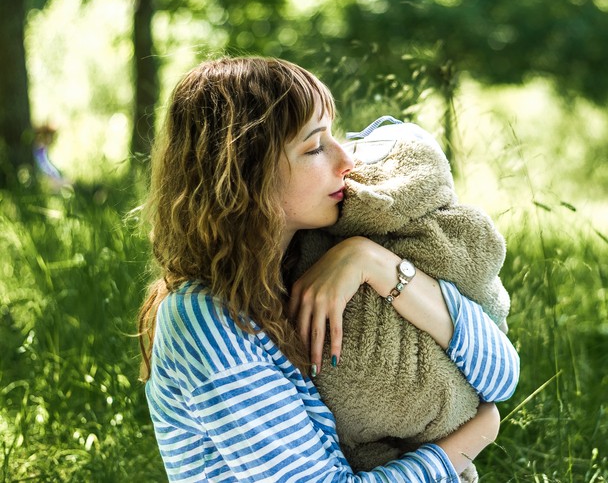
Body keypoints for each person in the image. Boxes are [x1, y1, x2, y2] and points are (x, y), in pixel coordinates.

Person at [137, 56, 520, 482]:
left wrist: (372, 261)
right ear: (247, 174)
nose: (346, 160)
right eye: (315, 146)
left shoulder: (315, 266)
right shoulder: (205, 321)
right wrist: (467, 443)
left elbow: (501, 376)